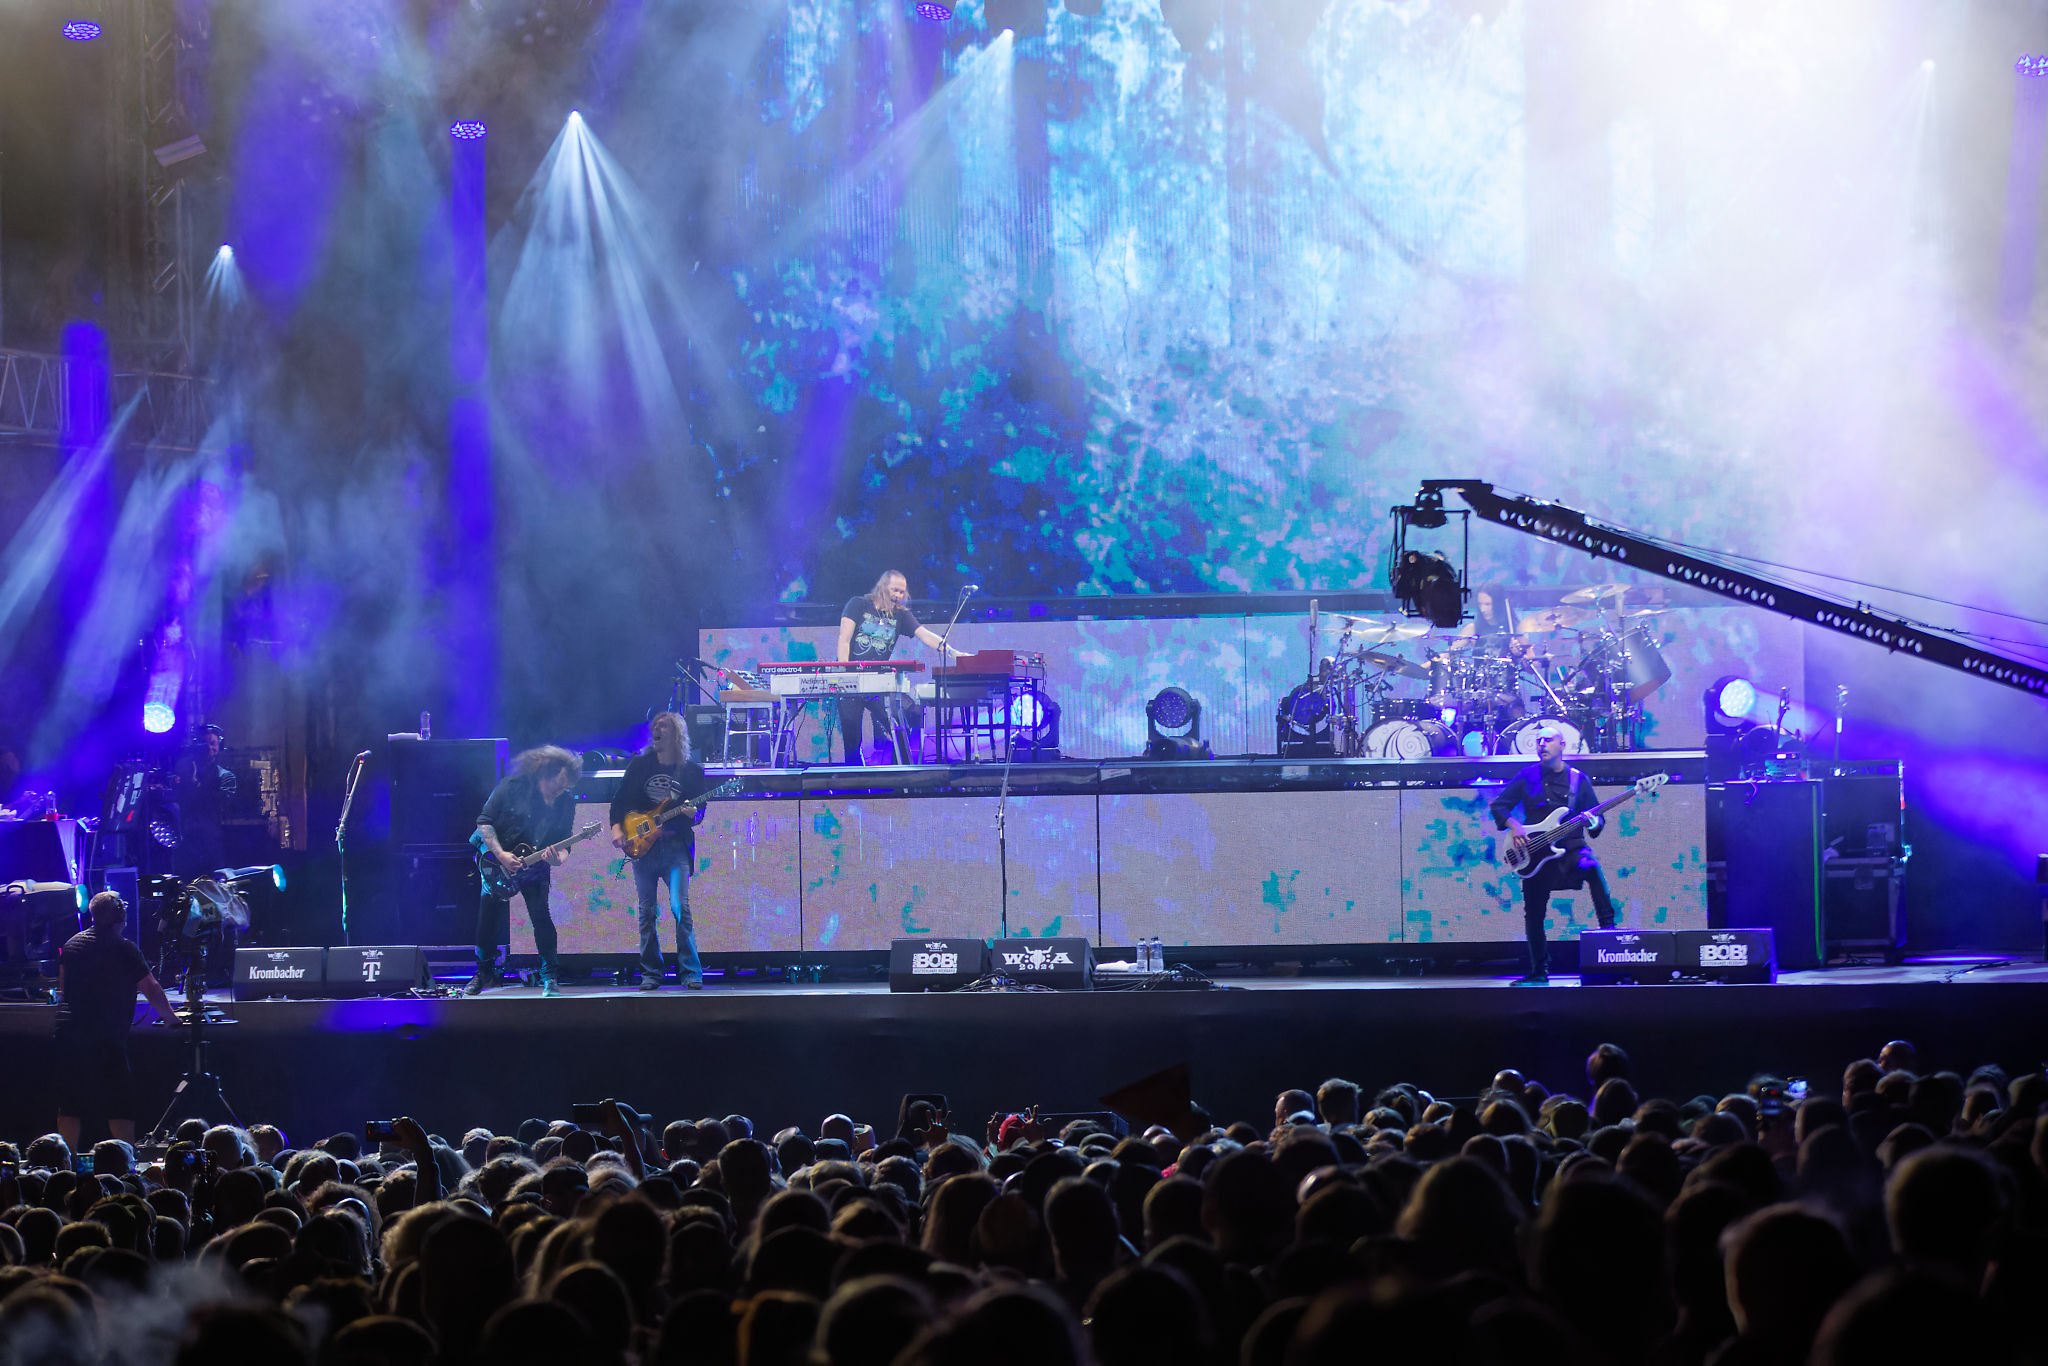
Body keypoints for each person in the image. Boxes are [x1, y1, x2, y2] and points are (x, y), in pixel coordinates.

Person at [1488, 725, 1619, 985]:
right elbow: (1499, 805)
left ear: (1562, 745)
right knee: (1534, 912)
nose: (1542, 744)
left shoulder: (1578, 779)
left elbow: (1597, 819)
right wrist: (1514, 826)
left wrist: (1593, 822)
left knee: (1591, 866)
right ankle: (1539, 972)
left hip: (1571, 849)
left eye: (1548, 740)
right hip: (1535, 853)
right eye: (1538, 741)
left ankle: (1610, 934)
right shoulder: (1527, 775)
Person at [53, 891, 178, 1146]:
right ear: (121, 915)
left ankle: (66, 1160)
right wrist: (170, 1018)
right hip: (106, 1038)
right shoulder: (124, 948)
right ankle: (126, 1159)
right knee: (119, 1103)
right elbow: (151, 988)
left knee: (70, 1103)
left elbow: (63, 988)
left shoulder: (71, 944)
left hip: (68, 1036)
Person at [467, 746, 583, 998]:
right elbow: (484, 822)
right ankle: (483, 972)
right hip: (497, 860)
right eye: (556, 785)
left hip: (534, 862)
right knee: (488, 918)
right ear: (543, 774)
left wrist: (558, 859)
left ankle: (550, 976)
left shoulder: (565, 801)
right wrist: (501, 855)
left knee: (541, 916)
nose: (559, 792)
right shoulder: (512, 787)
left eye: (565, 787)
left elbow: (565, 841)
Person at [609, 712, 710, 991]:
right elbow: (619, 801)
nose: (657, 730)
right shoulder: (640, 765)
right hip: (644, 848)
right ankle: (651, 973)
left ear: (676, 733)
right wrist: (617, 829)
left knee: (680, 908)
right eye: (655, 726)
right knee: (647, 912)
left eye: (663, 726)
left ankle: (691, 973)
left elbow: (700, 813)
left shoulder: (691, 771)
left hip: (676, 848)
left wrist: (693, 813)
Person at [836, 570, 963, 765]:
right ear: (882, 587)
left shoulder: (900, 615)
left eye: (902, 592)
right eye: (894, 590)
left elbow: (925, 635)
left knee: (902, 722)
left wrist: (953, 652)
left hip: (878, 683)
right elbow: (844, 640)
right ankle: (854, 776)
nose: (898, 595)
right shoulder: (858, 604)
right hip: (851, 680)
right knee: (852, 737)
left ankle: (901, 771)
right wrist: (846, 673)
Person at [172, 723, 237, 879]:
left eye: (212, 743)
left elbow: (218, 802)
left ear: (219, 747)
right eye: (204, 744)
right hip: (186, 844)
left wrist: (195, 784)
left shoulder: (225, 776)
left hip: (211, 845)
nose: (208, 748)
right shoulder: (183, 771)